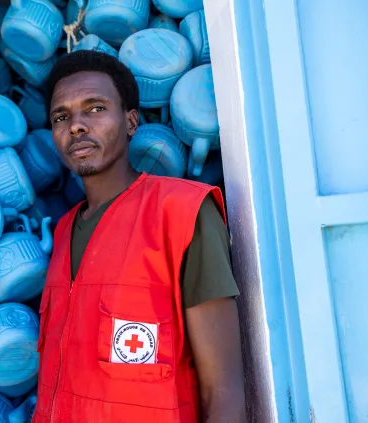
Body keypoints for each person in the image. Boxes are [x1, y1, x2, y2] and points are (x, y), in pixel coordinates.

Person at [33, 51, 247, 423]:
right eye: (61, 116)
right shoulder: (65, 230)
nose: (77, 126)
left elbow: (225, 390)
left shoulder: (182, 212)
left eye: (95, 109)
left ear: (131, 121)